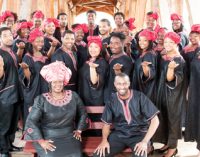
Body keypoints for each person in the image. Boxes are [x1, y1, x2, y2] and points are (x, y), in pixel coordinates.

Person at [24, 61, 88, 157]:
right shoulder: (41, 99)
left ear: (64, 82)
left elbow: (83, 113)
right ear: (50, 83)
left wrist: (79, 130)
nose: (57, 84)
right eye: (54, 82)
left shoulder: (74, 96)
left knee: (76, 154)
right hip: (47, 136)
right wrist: (41, 142)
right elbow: (31, 121)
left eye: (60, 82)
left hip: (69, 136)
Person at [93, 73, 159, 157]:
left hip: (139, 134)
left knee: (140, 155)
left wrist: (145, 141)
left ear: (129, 83)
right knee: (98, 155)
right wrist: (104, 140)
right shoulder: (111, 100)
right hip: (119, 134)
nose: (122, 87)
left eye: (124, 83)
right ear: (115, 84)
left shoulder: (140, 97)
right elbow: (106, 124)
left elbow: (155, 120)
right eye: (119, 84)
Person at [153, 32, 185, 157]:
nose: (167, 44)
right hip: (163, 91)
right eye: (166, 42)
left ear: (176, 43)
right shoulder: (166, 56)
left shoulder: (178, 59)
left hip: (173, 93)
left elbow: (172, 79)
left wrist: (171, 69)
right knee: (164, 117)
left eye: (171, 42)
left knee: (173, 119)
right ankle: (167, 143)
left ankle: (173, 148)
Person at [78, 36, 108, 136]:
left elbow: (95, 81)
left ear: (100, 49)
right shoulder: (88, 60)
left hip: (95, 98)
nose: (93, 49)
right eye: (91, 46)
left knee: (95, 126)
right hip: (85, 96)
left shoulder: (101, 62)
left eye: (96, 47)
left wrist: (92, 68)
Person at [0, 27, 22, 157]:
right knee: (4, 124)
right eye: (5, 35)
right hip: (4, 95)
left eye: (10, 35)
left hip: (15, 92)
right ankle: (3, 150)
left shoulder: (11, 51)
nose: (9, 37)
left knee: (13, 123)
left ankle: (9, 144)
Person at [19, 28, 49, 122]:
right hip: (34, 90)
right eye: (37, 41)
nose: (40, 44)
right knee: (33, 116)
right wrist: (26, 69)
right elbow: (27, 79)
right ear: (32, 42)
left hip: (45, 89)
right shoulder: (27, 57)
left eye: (42, 41)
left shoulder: (44, 54)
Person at [184, 24, 200, 157]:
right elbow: (190, 72)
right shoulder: (192, 51)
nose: (193, 38)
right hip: (195, 87)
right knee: (196, 116)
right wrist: (188, 87)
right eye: (192, 35)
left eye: (197, 36)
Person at [104, 32, 133, 104]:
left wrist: (118, 71)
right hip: (109, 94)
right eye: (111, 43)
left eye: (116, 43)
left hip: (116, 98)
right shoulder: (114, 56)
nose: (112, 46)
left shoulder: (125, 59)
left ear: (123, 44)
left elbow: (123, 82)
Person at [132, 29, 157, 104]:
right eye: (140, 40)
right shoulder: (143, 53)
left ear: (149, 42)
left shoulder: (149, 55)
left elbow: (150, 74)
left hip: (147, 90)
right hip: (143, 88)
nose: (141, 43)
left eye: (145, 40)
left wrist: (145, 68)